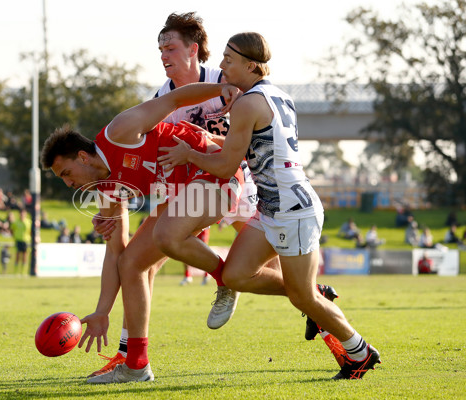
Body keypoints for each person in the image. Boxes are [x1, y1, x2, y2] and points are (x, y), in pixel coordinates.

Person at [158, 31, 380, 380]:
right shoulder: (276, 95)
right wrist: (203, 139)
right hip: (274, 207)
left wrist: (189, 152)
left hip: (292, 211)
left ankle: (358, 350)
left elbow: (225, 166)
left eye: (229, 61)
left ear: (250, 65)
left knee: (302, 298)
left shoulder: (246, 103)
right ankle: (313, 294)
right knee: (234, 275)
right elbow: (245, 144)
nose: (221, 66)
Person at [41, 80, 252, 384]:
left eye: (66, 173)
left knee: (165, 236)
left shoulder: (119, 132)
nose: (68, 183)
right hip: (180, 195)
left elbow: (175, 99)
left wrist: (222, 90)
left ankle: (225, 278)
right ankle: (136, 365)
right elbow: (116, 251)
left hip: (214, 170)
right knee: (132, 263)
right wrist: (102, 311)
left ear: (82, 157)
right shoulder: (105, 192)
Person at [11, 209, 31, 275]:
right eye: (21, 213)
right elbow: (12, 230)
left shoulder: (28, 222)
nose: (22, 215)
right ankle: (15, 272)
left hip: (25, 240)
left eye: (23, 213)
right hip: (18, 240)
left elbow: (31, 231)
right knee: (18, 255)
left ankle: (23, 272)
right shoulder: (16, 222)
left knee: (25, 256)